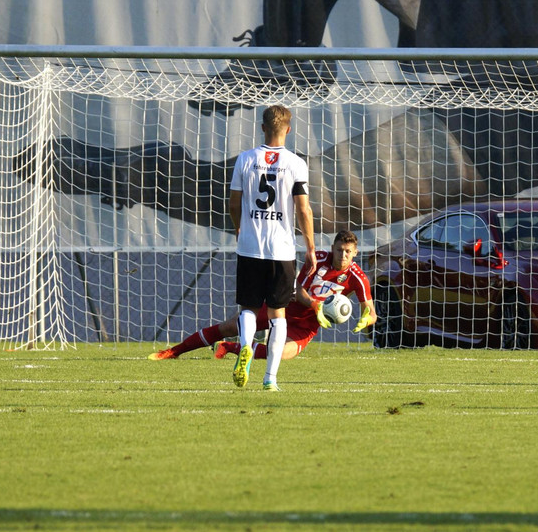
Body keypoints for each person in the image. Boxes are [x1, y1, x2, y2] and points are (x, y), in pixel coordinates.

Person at [151, 230, 375, 365]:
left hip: (307, 324)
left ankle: (230, 348)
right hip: (283, 306)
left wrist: (365, 320)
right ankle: (173, 352)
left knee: (282, 355)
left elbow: (371, 312)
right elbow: (297, 287)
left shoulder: (358, 277)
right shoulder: (317, 259)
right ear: (332, 248)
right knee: (229, 325)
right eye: (339, 250)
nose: (343, 255)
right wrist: (315, 305)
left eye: (348, 251)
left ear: (355, 252)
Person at [227, 105, 316, 391]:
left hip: (250, 247)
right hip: (281, 251)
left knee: (249, 309)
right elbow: (303, 210)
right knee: (278, 315)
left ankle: (245, 346)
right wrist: (311, 248)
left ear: (262, 128)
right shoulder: (295, 163)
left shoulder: (245, 159)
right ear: (288, 130)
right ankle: (270, 379)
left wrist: (239, 228)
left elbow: (233, 203)